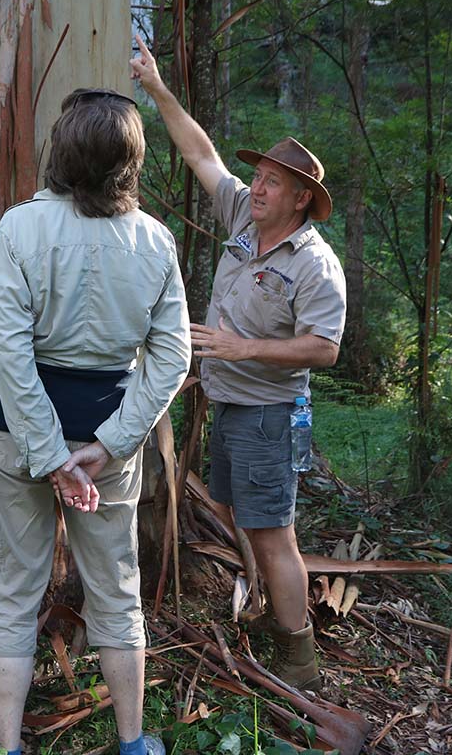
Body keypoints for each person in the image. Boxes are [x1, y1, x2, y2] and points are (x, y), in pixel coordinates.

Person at [0, 87, 191, 755]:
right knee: (116, 592)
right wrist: (106, 446)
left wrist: (49, 455)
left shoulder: (19, 227)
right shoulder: (154, 240)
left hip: (16, 439)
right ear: (131, 162)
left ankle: (9, 748)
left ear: (63, 153)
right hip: (107, 445)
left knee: (11, 593)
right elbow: (174, 355)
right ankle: (133, 743)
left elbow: (8, 351)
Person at [130, 35, 346, 692]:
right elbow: (199, 152)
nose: (257, 187)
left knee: (275, 534)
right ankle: (266, 614)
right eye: (258, 176)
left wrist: (243, 349)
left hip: (270, 417)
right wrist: (158, 87)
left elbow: (325, 348)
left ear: (301, 198)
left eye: (273, 183)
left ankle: (298, 658)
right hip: (231, 406)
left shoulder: (314, 264)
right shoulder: (242, 222)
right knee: (239, 513)